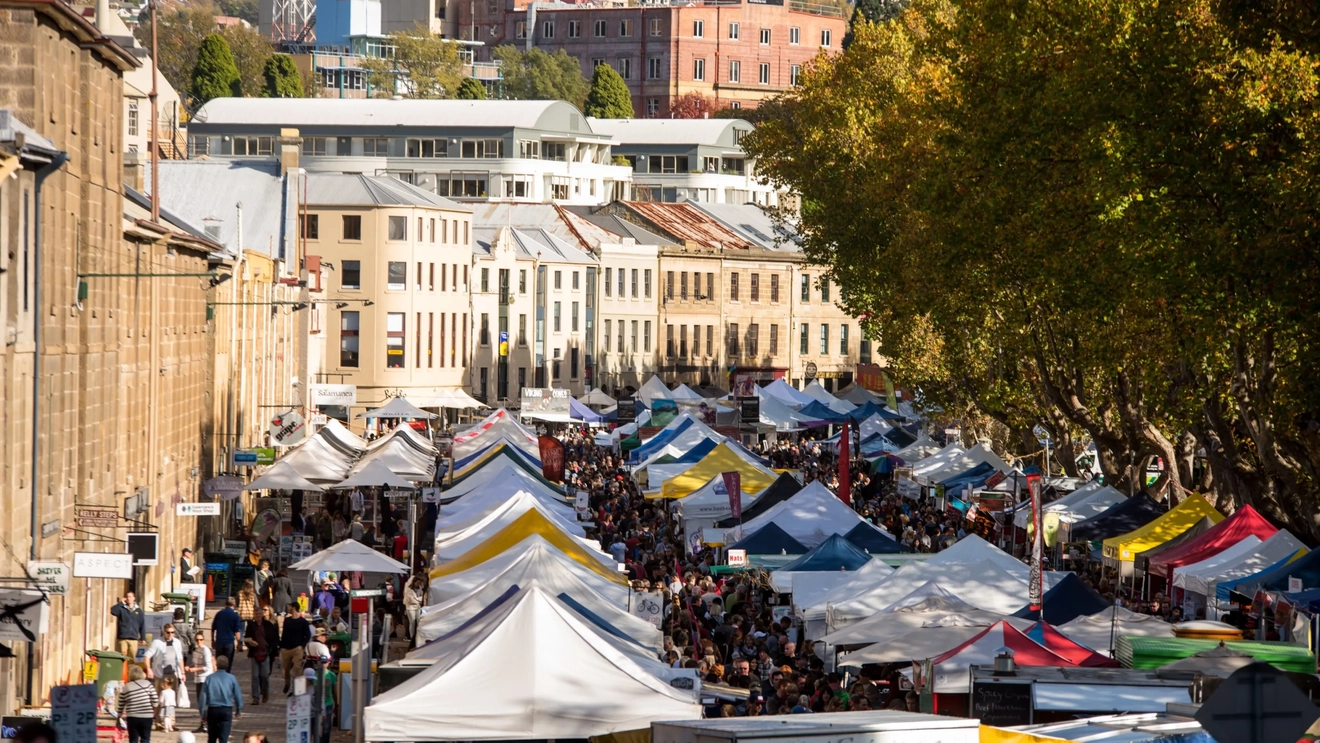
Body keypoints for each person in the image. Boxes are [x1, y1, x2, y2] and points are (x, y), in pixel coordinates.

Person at [200, 656, 243, 743]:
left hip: (213, 710)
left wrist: (203, 713)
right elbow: (238, 695)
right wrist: (238, 710)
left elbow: (203, 697)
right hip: (226, 709)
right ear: (227, 665)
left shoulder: (209, 678)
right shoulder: (231, 678)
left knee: (212, 737)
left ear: (216, 665)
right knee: (224, 738)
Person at [243, 605, 279, 705]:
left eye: (260, 614)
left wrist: (275, 654)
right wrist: (249, 643)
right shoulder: (251, 625)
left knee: (264, 676)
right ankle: (255, 698)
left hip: (266, 653)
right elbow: (246, 638)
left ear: (262, 614)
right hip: (254, 653)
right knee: (255, 677)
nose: (258, 615)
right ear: (254, 615)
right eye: (256, 614)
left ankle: (265, 692)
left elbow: (274, 640)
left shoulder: (268, 625)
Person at [117, 665, 159, 743]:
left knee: (133, 740)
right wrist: (154, 712)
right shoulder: (148, 684)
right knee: (145, 739)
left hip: (132, 717)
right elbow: (155, 701)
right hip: (147, 716)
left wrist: (118, 717)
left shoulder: (126, 687)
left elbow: (121, 704)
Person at [144, 623, 187, 693]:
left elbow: (180, 658)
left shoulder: (177, 642)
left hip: (173, 674)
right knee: (159, 696)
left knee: (172, 697)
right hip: (160, 674)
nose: (170, 634)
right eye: (168, 632)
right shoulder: (157, 642)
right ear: (164, 632)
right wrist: (149, 669)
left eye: (172, 632)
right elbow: (147, 656)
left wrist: (183, 673)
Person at [279, 607, 312, 694]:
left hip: (297, 648)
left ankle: (297, 690)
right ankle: (287, 683)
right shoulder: (287, 620)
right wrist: (281, 645)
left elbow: (307, 635)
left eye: (290, 607)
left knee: (297, 669)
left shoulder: (303, 622)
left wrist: (302, 646)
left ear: (294, 608)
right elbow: (284, 634)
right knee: (285, 669)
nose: (288, 608)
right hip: (286, 648)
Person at [188, 630, 214, 734]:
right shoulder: (196, 650)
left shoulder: (206, 650)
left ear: (204, 640)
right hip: (197, 679)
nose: (199, 642)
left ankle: (206, 724)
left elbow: (208, 667)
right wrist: (189, 667)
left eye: (201, 640)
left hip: (205, 679)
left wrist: (195, 669)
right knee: (200, 702)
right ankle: (203, 723)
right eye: (197, 640)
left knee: (203, 703)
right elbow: (194, 663)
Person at [111, 591, 145, 659]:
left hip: (133, 638)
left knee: (132, 657)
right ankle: (122, 669)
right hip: (123, 638)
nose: (128, 598)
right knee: (122, 657)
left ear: (134, 598)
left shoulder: (139, 611)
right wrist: (121, 603)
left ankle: (129, 669)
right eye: (127, 597)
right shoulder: (121, 609)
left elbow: (142, 625)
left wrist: (143, 638)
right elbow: (113, 611)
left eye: (130, 597)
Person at [211, 598, 243, 669]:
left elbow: (213, 628)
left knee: (219, 663)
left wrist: (212, 640)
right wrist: (239, 643)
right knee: (227, 663)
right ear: (234, 604)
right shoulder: (235, 616)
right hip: (229, 642)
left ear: (225, 604)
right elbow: (237, 631)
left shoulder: (219, 614)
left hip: (219, 642)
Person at [403, 575, 425, 644]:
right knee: (412, 622)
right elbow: (411, 600)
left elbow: (422, 597)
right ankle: (412, 637)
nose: (418, 584)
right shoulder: (409, 589)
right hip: (410, 607)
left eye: (420, 583)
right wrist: (418, 600)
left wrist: (417, 599)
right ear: (414, 582)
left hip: (418, 607)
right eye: (417, 583)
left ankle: (418, 636)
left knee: (419, 621)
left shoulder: (420, 588)